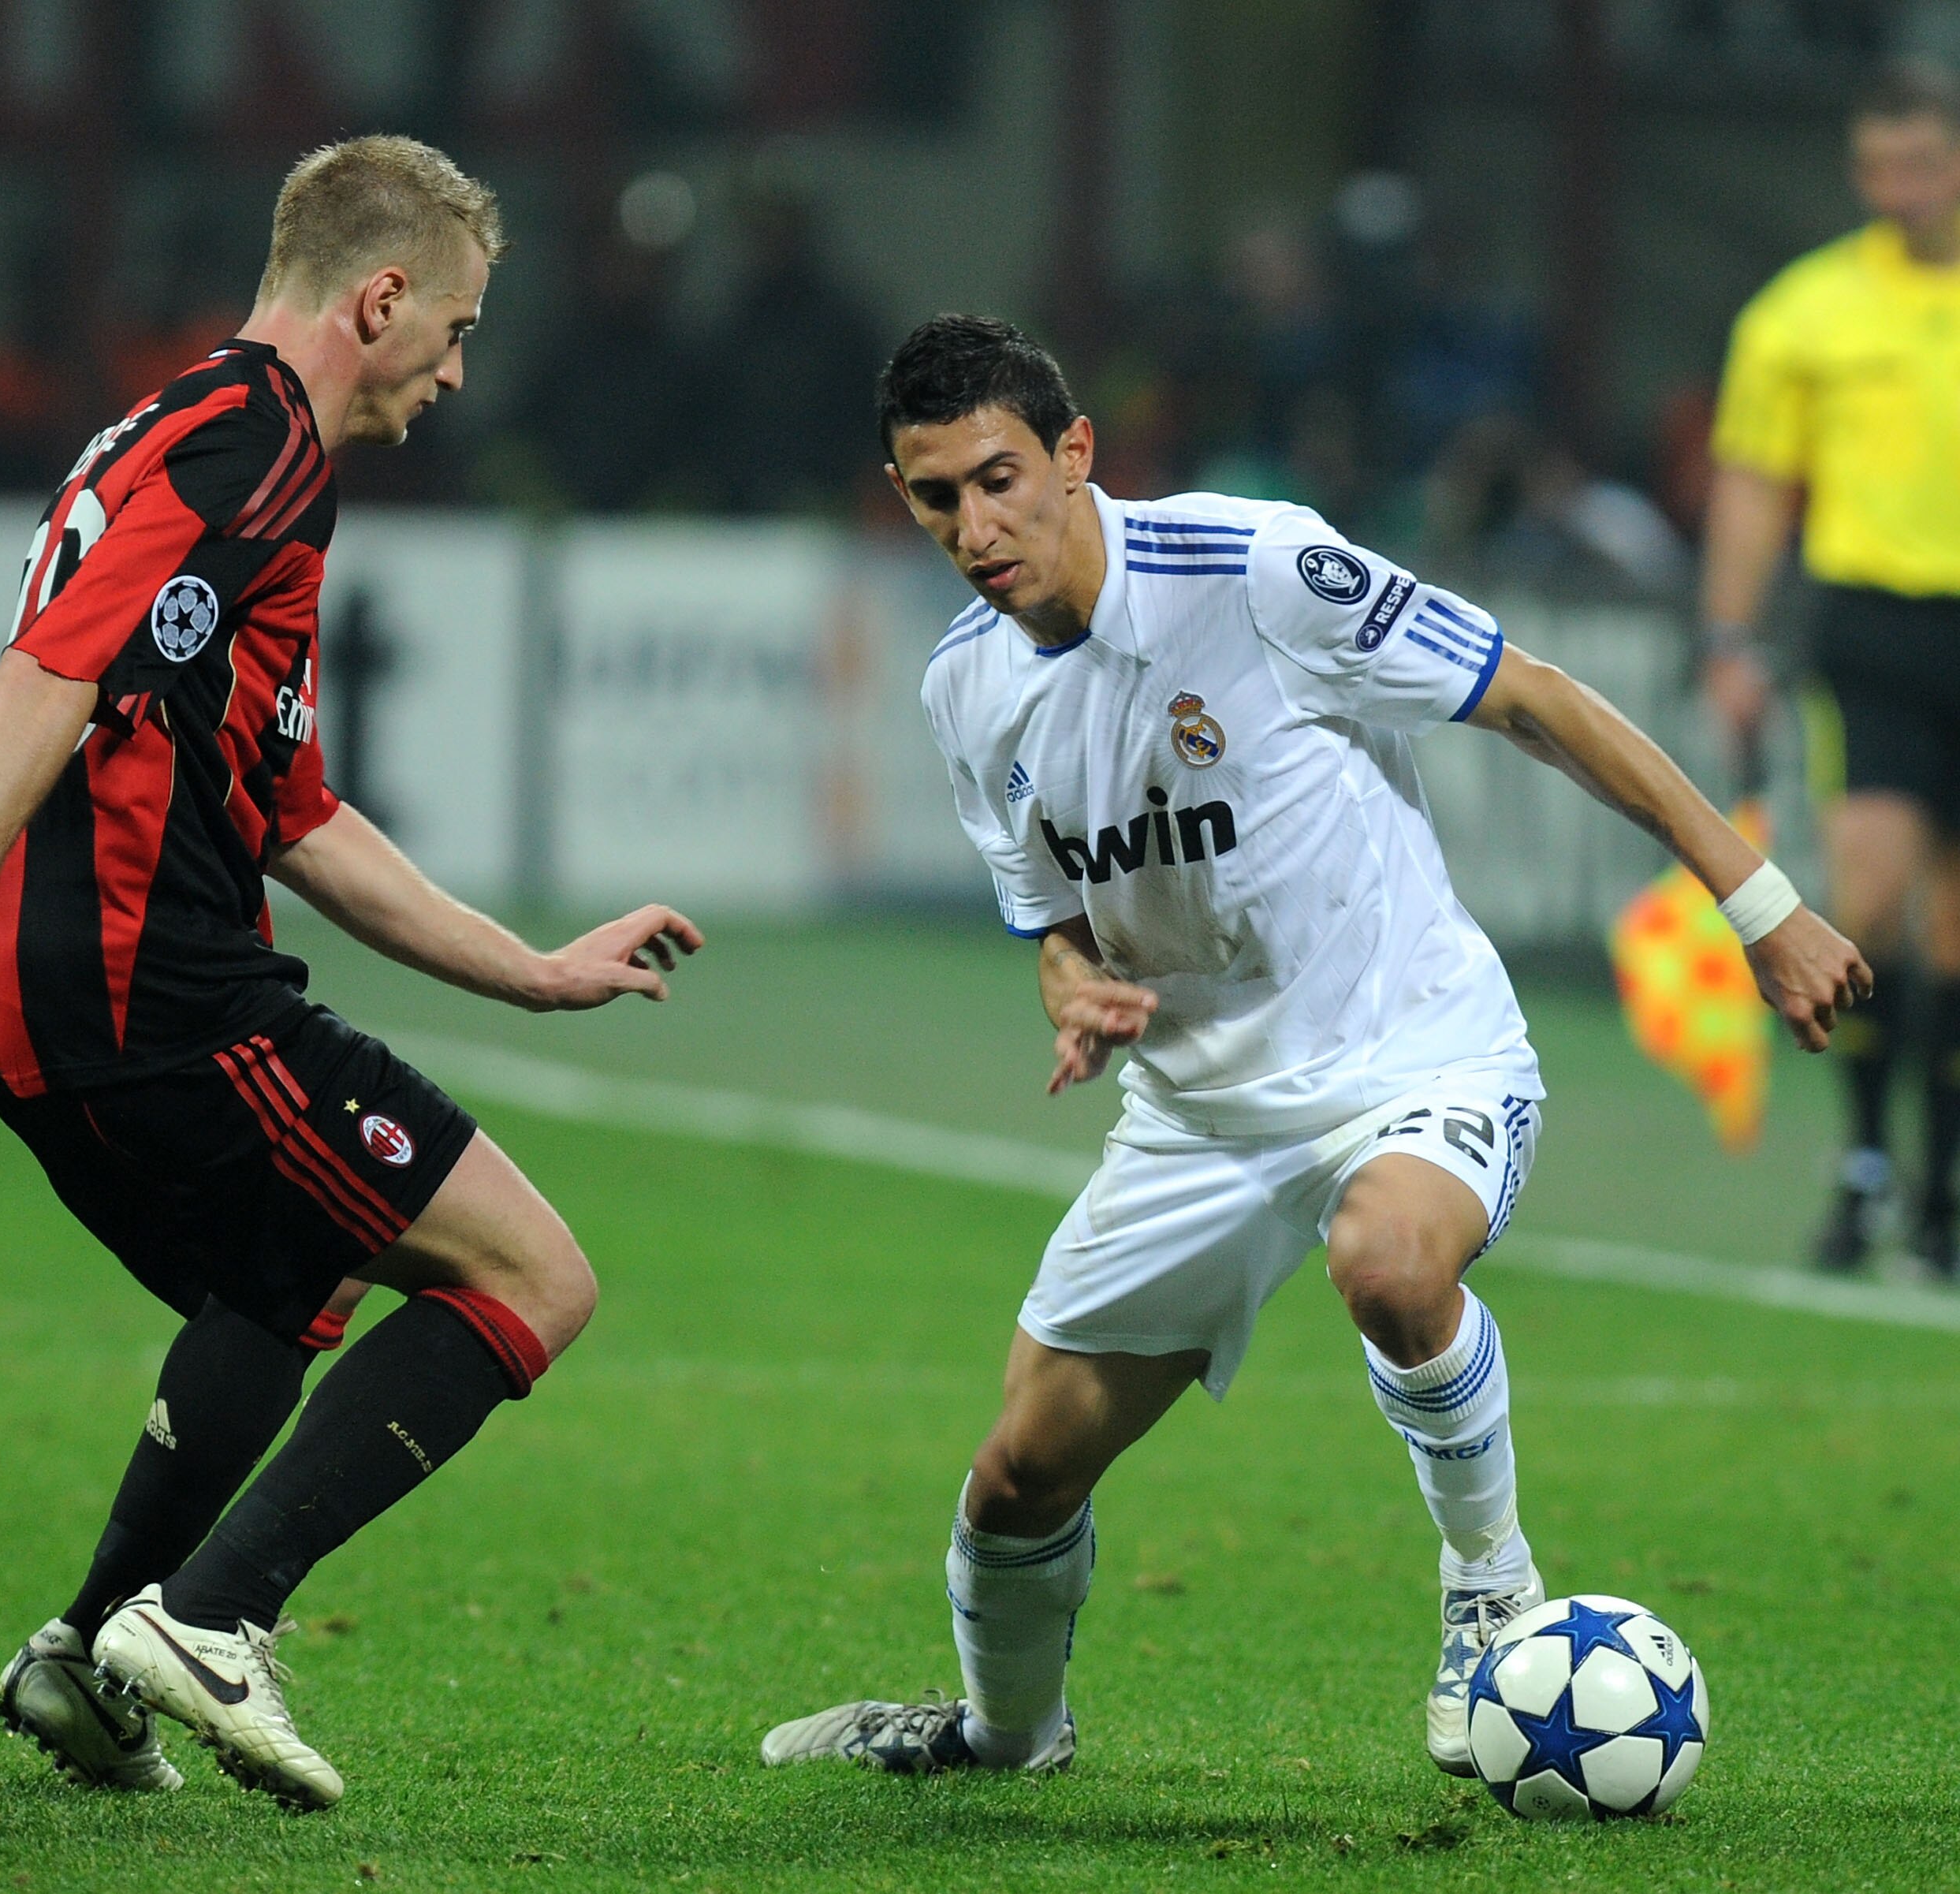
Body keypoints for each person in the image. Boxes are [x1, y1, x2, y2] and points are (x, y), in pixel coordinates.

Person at [761, 315, 1864, 1780]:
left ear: (1077, 455)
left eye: (1000, 477)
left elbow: (1534, 698)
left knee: (1390, 1261)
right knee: (1017, 1478)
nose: (974, 525)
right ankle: (1001, 1736)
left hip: (1414, 1056)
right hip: (1199, 1118)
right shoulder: (968, 684)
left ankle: (1493, 1599)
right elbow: (1055, 917)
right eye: (934, 497)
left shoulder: (1257, 568)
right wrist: (1069, 984)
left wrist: (1760, 900)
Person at [0, 135, 699, 1813]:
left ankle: (84, 1655)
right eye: (453, 326)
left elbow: (289, 804)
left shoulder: (183, 428)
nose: (456, 369)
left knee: (282, 1280)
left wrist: (525, 971)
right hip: (150, 983)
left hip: (49, 995)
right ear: (378, 299)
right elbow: (47, 673)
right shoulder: (258, 449)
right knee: (534, 1276)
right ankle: (215, 1617)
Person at [1702, 58, 1960, 1278]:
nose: (1894, 188)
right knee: (1866, 897)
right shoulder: (1806, 312)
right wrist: (1730, 636)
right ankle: (1865, 1164)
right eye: (1876, 167)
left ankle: (1942, 1194)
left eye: (1917, 163)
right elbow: (1756, 485)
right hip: (1873, 626)